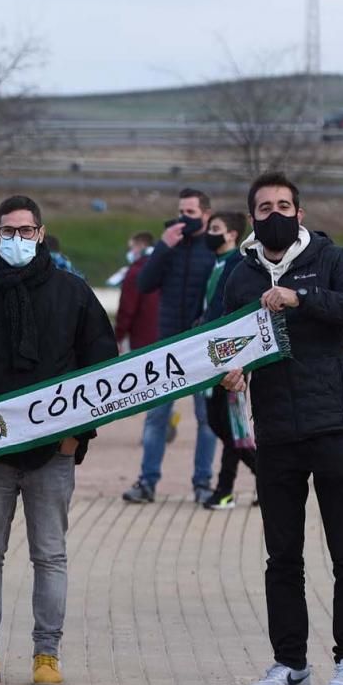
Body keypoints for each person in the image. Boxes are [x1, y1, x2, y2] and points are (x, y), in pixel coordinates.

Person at [0, 195, 117, 685]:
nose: (18, 239)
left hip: (53, 456)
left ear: (41, 232)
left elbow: (103, 370)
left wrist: (76, 436)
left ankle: (46, 656)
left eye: (27, 230)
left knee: (50, 556)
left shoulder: (74, 295)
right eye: (8, 231)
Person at [221, 172, 343, 685]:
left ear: (301, 212)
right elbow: (219, 341)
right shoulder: (239, 274)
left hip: (335, 426)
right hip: (277, 434)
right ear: (252, 218)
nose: (275, 214)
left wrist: (302, 298)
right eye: (264, 207)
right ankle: (290, 664)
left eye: (284, 205)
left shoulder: (331, 260)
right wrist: (230, 369)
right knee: (282, 557)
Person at [122, 188, 218, 504]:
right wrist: (163, 247)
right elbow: (145, 283)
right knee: (156, 417)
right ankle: (147, 482)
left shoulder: (214, 248)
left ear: (205, 214)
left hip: (203, 347)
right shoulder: (169, 248)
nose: (184, 218)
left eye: (190, 213)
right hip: (167, 346)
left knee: (207, 420)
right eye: (181, 211)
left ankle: (203, 483)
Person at [198, 211, 258, 510]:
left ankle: (236, 485)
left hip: (228, 358)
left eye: (216, 228)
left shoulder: (237, 264)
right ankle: (235, 487)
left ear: (232, 234)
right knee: (220, 424)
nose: (210, 232)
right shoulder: (217, 264)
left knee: (227, 426)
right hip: (210, 355)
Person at [113, 231, 159, 353]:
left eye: (132, 247)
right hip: (167, 334)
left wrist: (118, 336)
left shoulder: (135, 271)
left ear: (141, 246)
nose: (130, 252)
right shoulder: (164, 265)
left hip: (142, 337)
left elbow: (127, 308)